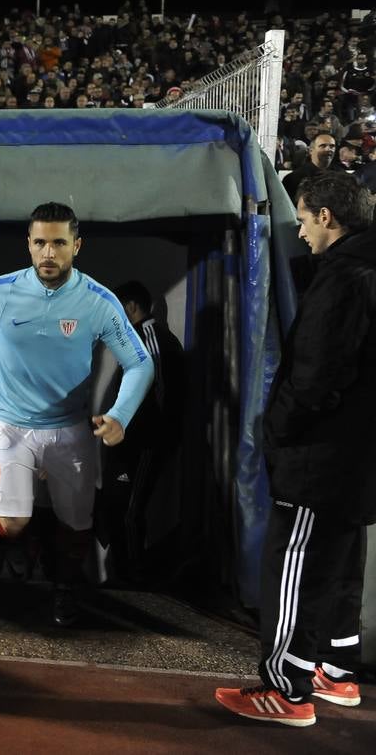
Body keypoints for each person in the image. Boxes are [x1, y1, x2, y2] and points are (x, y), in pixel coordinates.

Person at [216, 172, 376, 727]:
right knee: (339, 564)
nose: (302, 232)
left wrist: (277, 430)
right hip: (357, 462)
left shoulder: (344, 277)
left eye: (305, 219)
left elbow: (316, 375)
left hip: (322, 457)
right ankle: (337, 671)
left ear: (327, 217)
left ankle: (286, 689)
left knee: (296, 566)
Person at [0, 202, 152, 626]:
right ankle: (11, 546)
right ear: (28, 245)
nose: (49, 253)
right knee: (12, 523)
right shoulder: (0, 290)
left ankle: (64, 589)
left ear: (77, 246)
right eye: (41, 243)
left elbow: (140, 362)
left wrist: (120, 414)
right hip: (11, 425)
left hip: (70, 430)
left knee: (76, 524)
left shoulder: (98, 301)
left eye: (59, 243)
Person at [100, 280, 186, 585]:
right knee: (118, 507)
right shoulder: (137, 338)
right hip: (131, 443)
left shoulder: (151, 337)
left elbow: (161, 392)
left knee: (130, 512)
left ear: (131, 307)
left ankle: (135, 583)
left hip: (145, 443)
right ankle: (123, 575)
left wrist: (153, 436)